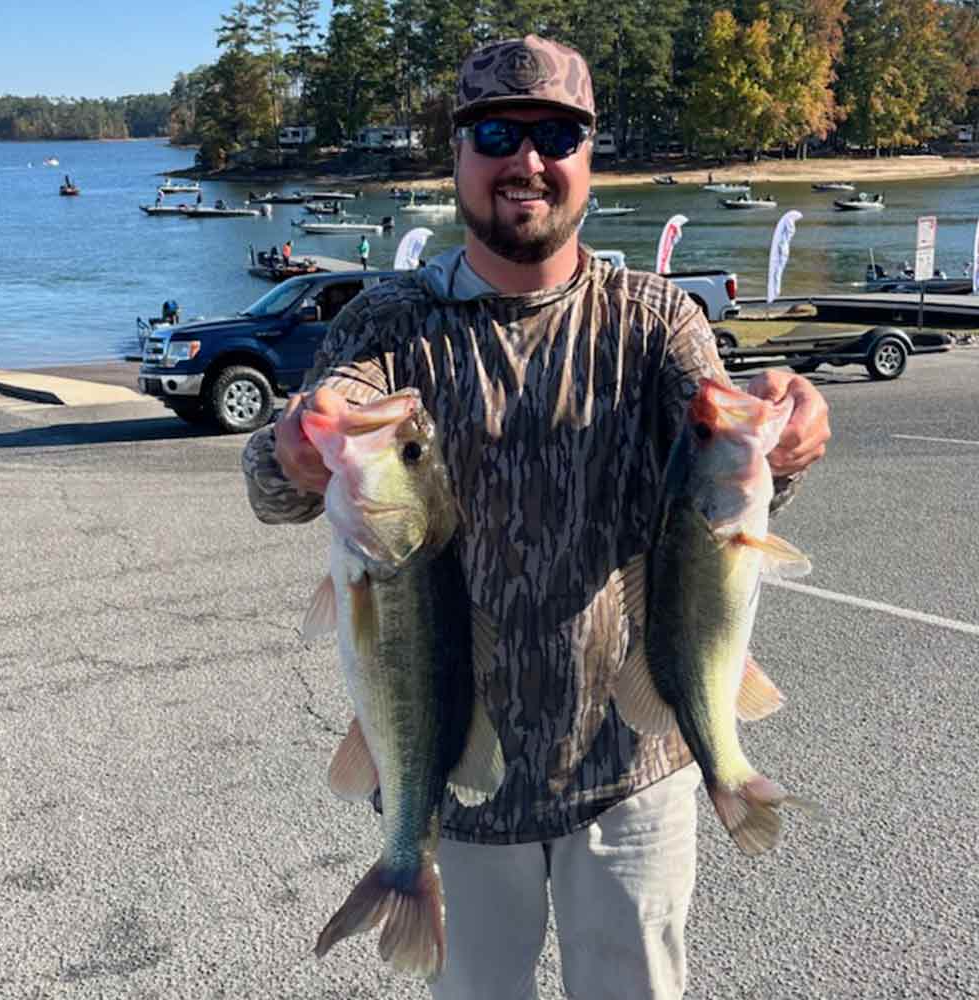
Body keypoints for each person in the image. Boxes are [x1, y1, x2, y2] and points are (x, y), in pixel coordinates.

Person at [241, 34, 830, 1000]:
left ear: (589, 156)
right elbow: (290, 459)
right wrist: (289, 450)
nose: (527, 160)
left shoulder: (653, 320)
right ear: (459, 157)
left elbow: (722, 465)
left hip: (634, 771)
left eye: (556, 134)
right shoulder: (388, 323)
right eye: (498, 133)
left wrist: (791, 437)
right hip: (457, 794)